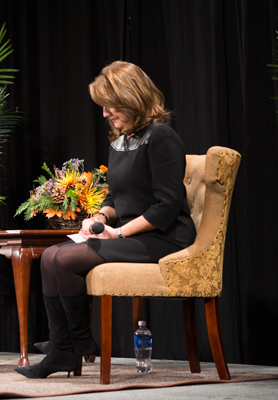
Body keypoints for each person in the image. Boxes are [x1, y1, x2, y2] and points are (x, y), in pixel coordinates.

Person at [14, 61, 196, 379]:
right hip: (131, 234)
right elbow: (114, 196)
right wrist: (98, 217)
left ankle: (74, 346)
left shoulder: (161, 137)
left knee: (66, 259)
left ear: (131, 98)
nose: (105, 113)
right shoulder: (120, 140)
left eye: (109, 105)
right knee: (50, 258)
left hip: (164, 237)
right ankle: (65, 348)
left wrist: (120, 233)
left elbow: (166, 207)